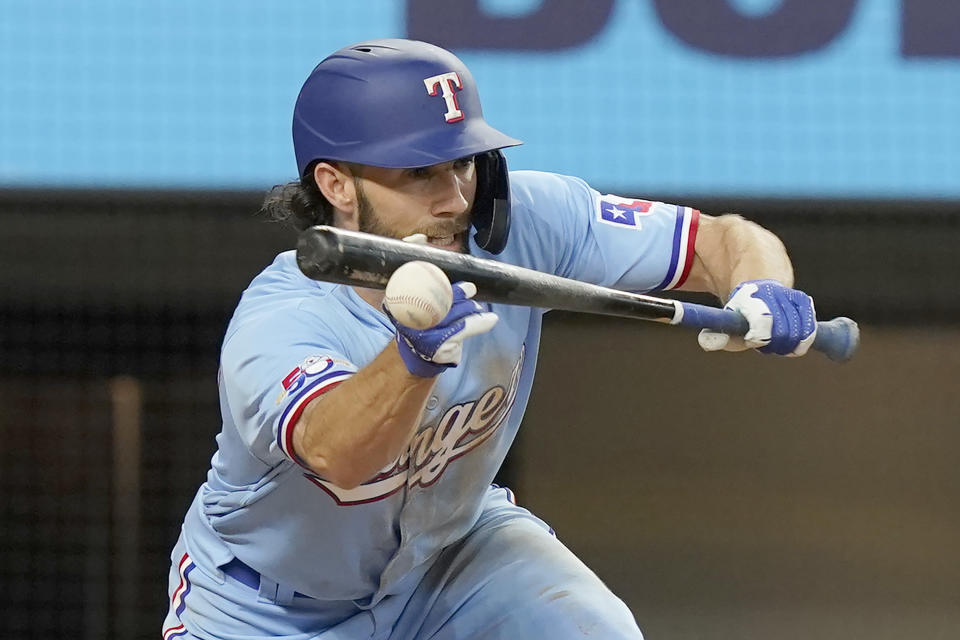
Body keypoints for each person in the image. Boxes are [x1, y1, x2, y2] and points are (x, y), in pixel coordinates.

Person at [162, 39, 816, 640]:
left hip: (447, 561)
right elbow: (339, 457)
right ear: (336, 184)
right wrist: (412, 359)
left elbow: (720, 239)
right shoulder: (281, 316)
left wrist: (761, 287)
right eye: (418, 172)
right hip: (268, 607)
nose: (453, 198)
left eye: (463, 163)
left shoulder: (530, 224)